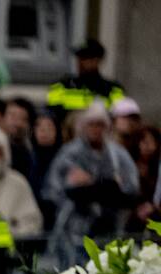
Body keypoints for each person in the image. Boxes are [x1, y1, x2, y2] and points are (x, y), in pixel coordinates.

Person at [44, 102, 140, 245]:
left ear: (107, 127)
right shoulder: (69, 153)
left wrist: (97, 183)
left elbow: (131, 188)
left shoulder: (119, 155)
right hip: (74, 230)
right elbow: (54, 190)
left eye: (100, 124)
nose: (96, 129)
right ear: (83, 126)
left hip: (112, 227)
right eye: (91, 124)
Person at [46, 39, 125, 125]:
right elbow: (52, 117)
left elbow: (118, 119)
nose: (80, 62)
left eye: (86, 58)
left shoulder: (113, 89)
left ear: (98, 60)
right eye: (79, 57)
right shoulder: (60, 86)